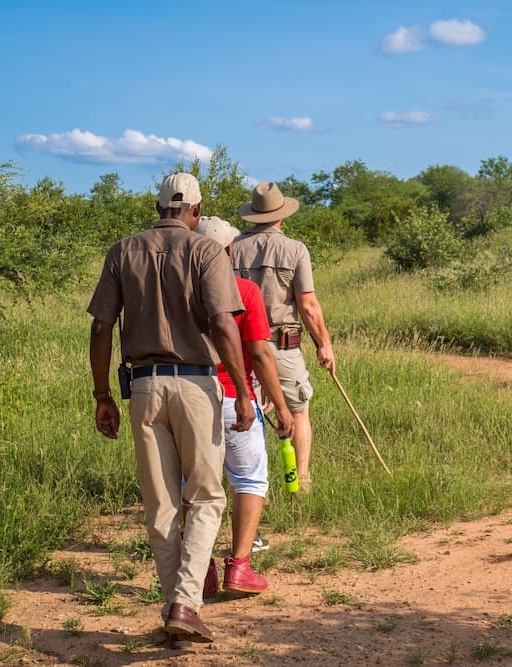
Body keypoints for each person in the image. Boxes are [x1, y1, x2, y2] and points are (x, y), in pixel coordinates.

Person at [88, 173, 253, 646]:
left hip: (143, 388)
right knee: (205, 496)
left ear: (157, 207)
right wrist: (242, 389)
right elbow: (223, 322)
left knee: (160, 505)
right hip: (197, 386)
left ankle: (174, 611)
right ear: (196, 211)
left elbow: (102, 328)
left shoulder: (123, 251)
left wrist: (102, 395)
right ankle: (185, 603)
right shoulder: (204, 250)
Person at [194, 216, 293, 593]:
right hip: (236, 399)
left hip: (193, 399)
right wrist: (281, 406)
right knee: (249, 479)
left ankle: (200, 572)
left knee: (194, 485)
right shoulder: (244, 291)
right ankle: (240, 566)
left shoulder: (179, 293)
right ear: (230, 250)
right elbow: (260, 354)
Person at [232, 182, 335, 492]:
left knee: (247, 414)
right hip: (281, 344)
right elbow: (308, 305)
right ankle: (300, 483)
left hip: (240, 346)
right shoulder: (294, 249)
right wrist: (324, 344)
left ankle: (250, 484)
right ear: (281, 216)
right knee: (298, 412)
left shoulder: (231, 247)